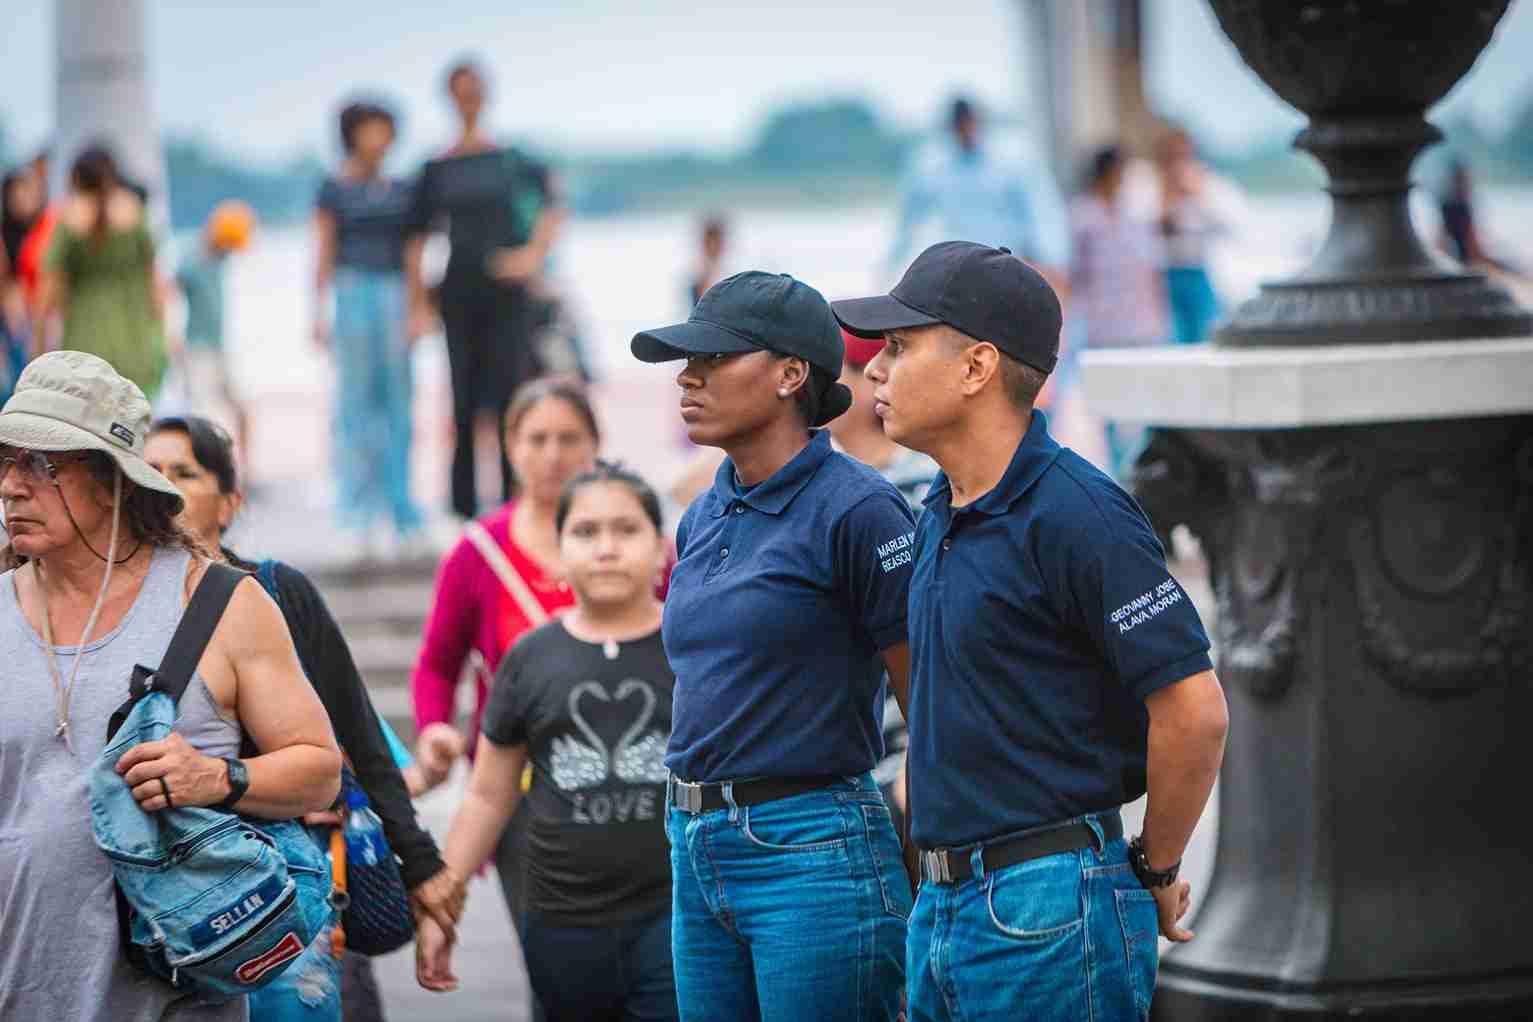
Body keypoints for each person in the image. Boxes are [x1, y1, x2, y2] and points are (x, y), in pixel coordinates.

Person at [834, 241, 1229, 1022]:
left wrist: (1152, 864)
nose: (874, 369)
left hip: (1047, 910)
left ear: (977, 367)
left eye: (900, 347)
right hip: (944, 905)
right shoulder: (939, 512)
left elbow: (1194, 711)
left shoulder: (1078, 513)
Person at [0, 350, 342, 1020]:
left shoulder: (217, 603)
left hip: (171, 998)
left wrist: (218, 779)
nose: (12, 485)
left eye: (42, 464)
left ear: (112, 480)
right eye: (5, 461)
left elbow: (320, 771)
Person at [631, 271, 915, 1021]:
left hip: (812, 850)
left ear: (791, 374)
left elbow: (930, 695)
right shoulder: (704, 514)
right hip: (694, 842)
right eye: (685, 360)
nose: (687, 377)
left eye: (715, 358)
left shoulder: (861, 511)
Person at [144, 414, 462, 1022]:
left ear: (230, 502)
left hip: (290, 882)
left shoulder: (276, 592)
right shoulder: (116, 603)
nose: (164, 485)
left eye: (184, 472)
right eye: (150, 470)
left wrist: (422, 867)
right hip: (168, 893)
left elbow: (360, 735)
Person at [417, 463, 678, 1021]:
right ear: (558, 551)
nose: (606, 548)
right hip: (562, 920)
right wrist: (445, 901)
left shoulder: (692, 647)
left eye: (626, 530)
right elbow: (489, 794)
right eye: (585, 532)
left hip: (679, 915)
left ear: (660, 549)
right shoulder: (531, 658)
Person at [410, 377, 599, 1020]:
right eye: (536, 438)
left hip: (633, 786)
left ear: (595, 447)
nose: (553, 454)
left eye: (569, 438)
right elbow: (437, 662)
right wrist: (436, 727)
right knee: (557, 974)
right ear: (510, 448)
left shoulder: (630, 543)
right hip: (522, 795)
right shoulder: (479, 552)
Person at [406, 59, 564, 519]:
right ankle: (464, 509)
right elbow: (417, 239)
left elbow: (553, 204)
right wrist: (417, 305)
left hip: (508, 291)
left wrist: (531, 256)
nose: (468, 97)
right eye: (460, 90)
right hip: (457, 290)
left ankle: (517, 501)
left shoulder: (512, 158)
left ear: (486, 94)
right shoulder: (436, 167)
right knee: (462, 399)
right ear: (449, 98)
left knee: (512, 396)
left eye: (475, 89)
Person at [826, 327, 939, 833]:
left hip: (905, 760)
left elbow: (929, 631)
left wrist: (924, 751)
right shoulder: (817, 480)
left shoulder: (921, 482)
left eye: (832, 374)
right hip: (847, 768)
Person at [314, 100, 426, 556]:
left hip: (395, 293)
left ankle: (403, 514)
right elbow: (323, 249)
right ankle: (355, 514)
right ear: (352, 134)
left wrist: (419, 309)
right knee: (354, 405)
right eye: (370, 129)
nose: (379, 138)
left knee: (399, 404)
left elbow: (415, 252)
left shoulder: (403, 188)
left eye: (385, 129)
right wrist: (317, 311)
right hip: (351, 290)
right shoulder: (334, 188)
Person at [886, 97, 1069, 296]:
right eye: (960, 126)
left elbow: (1038, 213)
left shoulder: (1010, 163)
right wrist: (892, 269)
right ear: (952, 128)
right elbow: (909, 222)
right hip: (960, 268)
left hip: (1005, 263)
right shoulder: (933, 168)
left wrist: (1052, 262)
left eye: (970, 124)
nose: (966, 131)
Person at [1068, 145, 1170, 479]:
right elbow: (1074, 275)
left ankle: (1141, 474)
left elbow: (1149, 269)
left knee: (1143, 406)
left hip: (1140, 323)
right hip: (1104, 326)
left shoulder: (1133, 215)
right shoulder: (1083, 217)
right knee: (1110, 410)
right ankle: (1120, 478)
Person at [34, 145, 166, 397]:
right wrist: (160, 336)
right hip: (135, 341)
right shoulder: (136, 213)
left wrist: (38, 345)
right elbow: (155, 284)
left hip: (84, 347)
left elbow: (47, 292)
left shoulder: (68, 219)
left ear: (75, 179)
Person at [172, 200, 255, 474]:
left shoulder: (220, 257)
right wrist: (171, 338)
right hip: (197, 351)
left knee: (241, 408)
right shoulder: (191, 260)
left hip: (219, 349)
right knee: (200, 416)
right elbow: (167, 294)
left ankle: (246, 471)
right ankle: (198, 473)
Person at [1156, 124, 1243, 344]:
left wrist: (1198, 197)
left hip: (1197, 269)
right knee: (1172, 339)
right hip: (1163, 276)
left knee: (1203, 336)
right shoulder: (1152, 186)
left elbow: (1229, 227)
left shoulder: (1205, 185)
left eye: (1183, 155)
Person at [687, 214, 728, 307]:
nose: (713, 247)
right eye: (709, 243)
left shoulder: (731, 270)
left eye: (716, 243)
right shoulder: (697, 274)